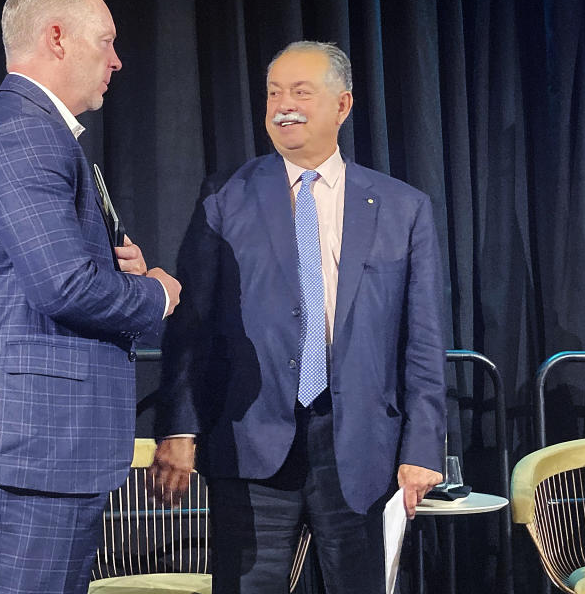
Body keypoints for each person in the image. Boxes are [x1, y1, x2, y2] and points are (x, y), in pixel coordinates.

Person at [150, 41, 446, 594]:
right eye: (272, 93)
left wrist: (423, 447)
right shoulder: (225, 198)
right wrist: (179, 425)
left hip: (360, 446)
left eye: (300, 91)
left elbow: (423, 341)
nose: (282, 104)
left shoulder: (404, 208)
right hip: (250, 440)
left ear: (343, 104)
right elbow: (191, 325)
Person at [0, 0, 180, 594]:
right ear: (58, 38)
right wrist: (157, 296)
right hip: (36, 447)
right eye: (107, 41)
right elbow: (62, 287)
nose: (117, 61)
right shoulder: (25, 133)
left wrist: (111, 270)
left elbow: (45, 270)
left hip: (45, 448)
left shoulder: (30, 130)